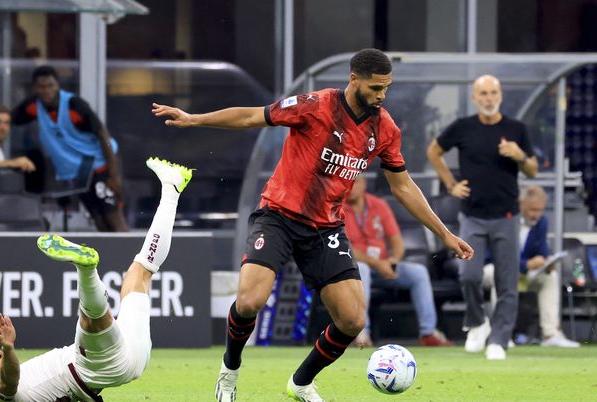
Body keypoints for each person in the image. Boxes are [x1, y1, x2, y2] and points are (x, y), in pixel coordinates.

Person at [152, 48, 473, 402]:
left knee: (352, 320)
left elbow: (402, 186)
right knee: (249, 301)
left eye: (387, 87)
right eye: (375, 87)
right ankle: (229, 372)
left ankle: (301, 382)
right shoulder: (315, 105)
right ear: (354, 80)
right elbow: (251, 117)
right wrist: (196, 119)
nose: (382, 95)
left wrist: (444, 233)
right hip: (278, 215)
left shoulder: (385, 128)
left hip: (325, 230)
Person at [0, 157, 193, 401]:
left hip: (133, 357)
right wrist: (9, 346)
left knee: (140, 272)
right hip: (97, 366)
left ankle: (171, 188)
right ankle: (86, 270)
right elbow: (10, 383)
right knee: (89, 321)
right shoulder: (1, 387)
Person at [426, 74, 538, 360]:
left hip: (507, 215)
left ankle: (499, 339)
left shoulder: (516, 129)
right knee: (469, 275)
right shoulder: (463, 127)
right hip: (472, 215)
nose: (489, 98)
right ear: (475, 98)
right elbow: (434, 151)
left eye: (493, 93)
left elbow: (533, 171)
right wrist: (451, 184)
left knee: (507, 281)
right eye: (483, 93)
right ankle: (476, 322)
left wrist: (519, 155)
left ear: (500, 95)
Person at [11, 65, 128, 232]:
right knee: (97, 217)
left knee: (113, 216)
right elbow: (9, 119)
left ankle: (132, 256)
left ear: (57, 85)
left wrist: (113, 175)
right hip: (79, 172)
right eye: (41, 87)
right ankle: (111, 257)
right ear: (35, 88)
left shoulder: (74, 105)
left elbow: (103, 135)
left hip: (101, 165)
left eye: (50, 85)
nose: (46, 91)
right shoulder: (33, 106)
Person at [343, 176, 453, 347]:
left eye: (355, 182)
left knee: (418, 272)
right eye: (348, 183)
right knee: (362, 269)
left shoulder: (378, 205)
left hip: (384, 266)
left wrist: (393, 262)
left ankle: (428, 332)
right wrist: (377, 263)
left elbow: (397, 242)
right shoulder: (338, 208)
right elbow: (346, 248)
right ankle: (361, 333)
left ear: (364, 184)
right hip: (353, 268)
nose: (351, 187)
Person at [482, 185, 579, 348]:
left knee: (550, 278)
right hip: (490, 268)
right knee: (501, 275)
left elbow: (542, 251)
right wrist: (525, 264)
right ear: (521, 203)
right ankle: (501, 334)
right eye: (533, 209)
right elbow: (495, 256)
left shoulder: (541, 222)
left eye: (540, 210)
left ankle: (550, 334)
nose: (536, 214)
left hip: (523, 273)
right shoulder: (505, 219)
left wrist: (547, 264)